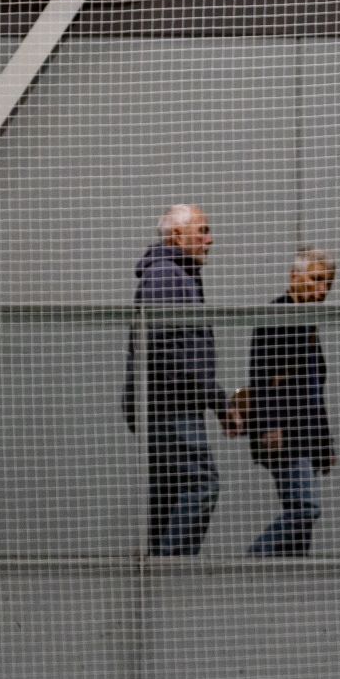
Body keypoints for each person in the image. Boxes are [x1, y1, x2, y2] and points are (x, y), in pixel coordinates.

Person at [122, 205, 242, 556]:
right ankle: (170, 569)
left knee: (170, 492)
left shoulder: (176, 273)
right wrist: (219, 402)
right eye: (203, 230)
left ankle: (162, 577)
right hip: (172, 405)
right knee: (202, 484)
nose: (210, 239)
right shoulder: (166, 275)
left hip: (169, 403)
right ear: (177, 235)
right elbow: (170, 352)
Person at [244, 249, 336, 558]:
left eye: (328, 285)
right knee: (305, 510)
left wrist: (323, 444)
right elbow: (262, 378)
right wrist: (269, 426)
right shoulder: (278, 316)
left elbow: (311, 389)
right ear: (294, 277)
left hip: (303, 435)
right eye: (316, 280)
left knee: (301, 534)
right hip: (285, 435)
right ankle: (252, 558)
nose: (322, 291)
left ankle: (296, 590)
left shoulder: (307, 323)